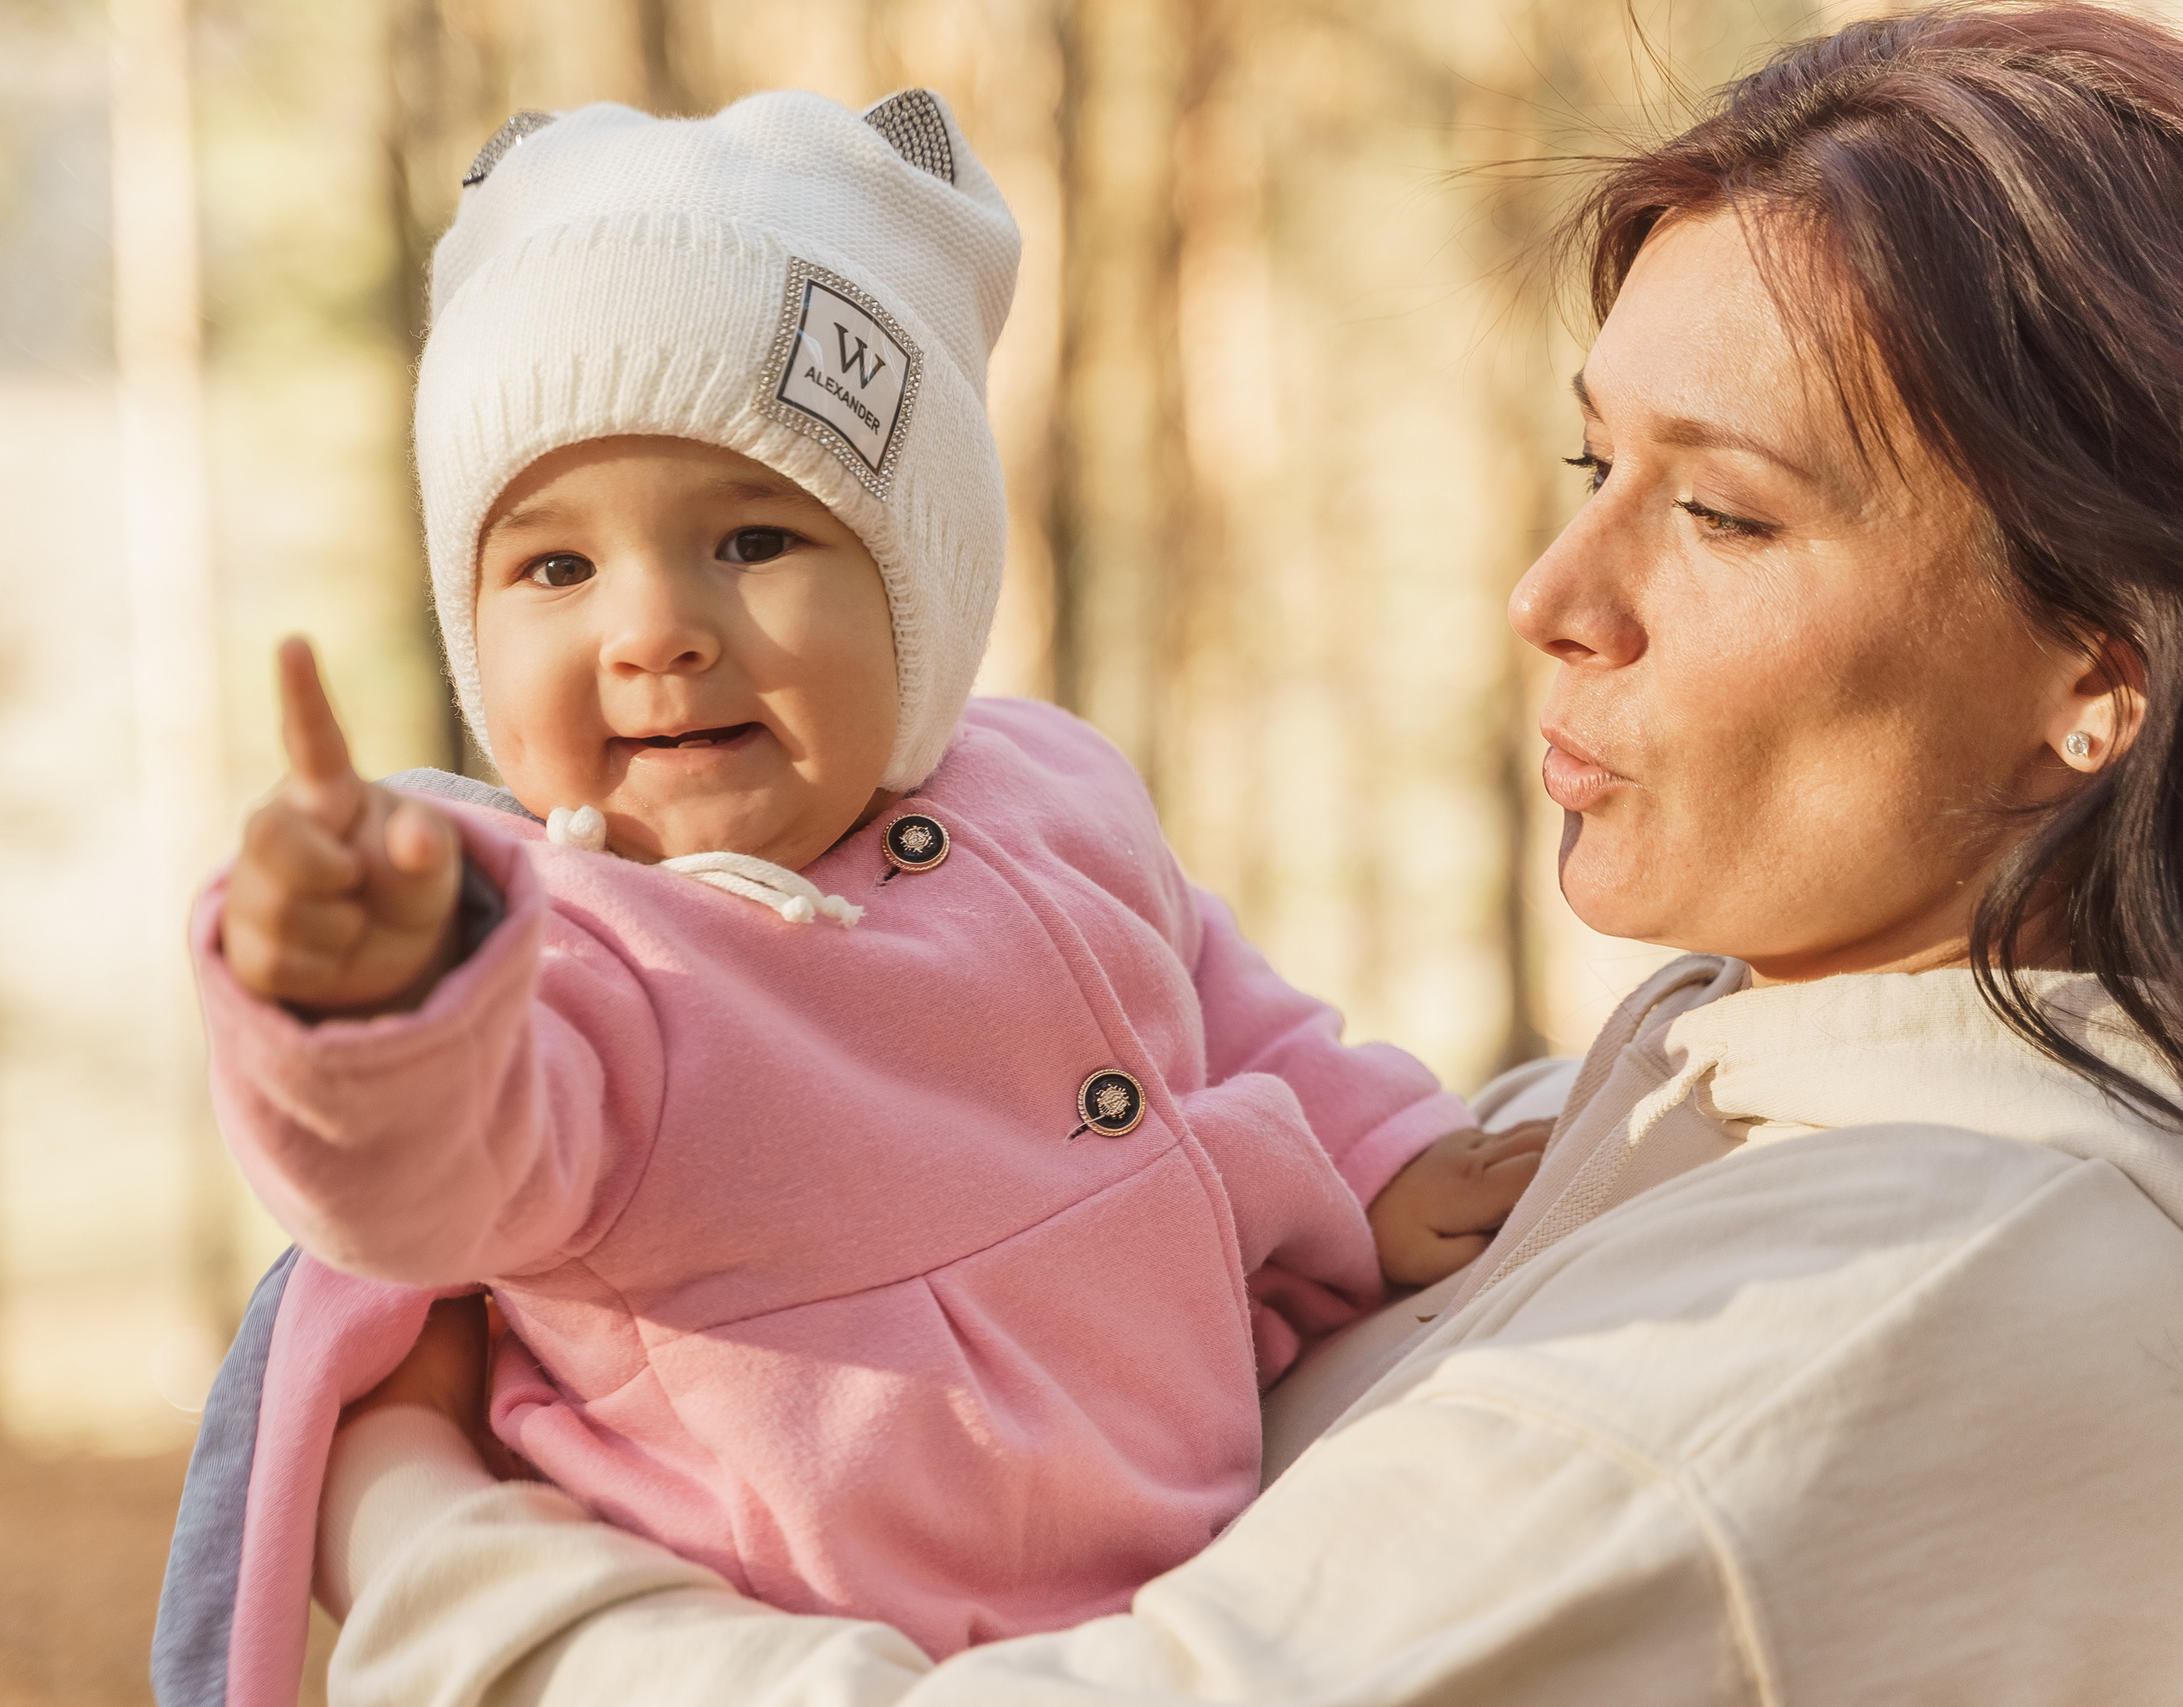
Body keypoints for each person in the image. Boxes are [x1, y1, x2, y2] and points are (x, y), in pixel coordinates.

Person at [299, 6, 2183, 1702]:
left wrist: (412, 1528)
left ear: (2093, 676)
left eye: (1722, 513)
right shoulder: (1713, 1082)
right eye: (1585, 468)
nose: (1551, 598)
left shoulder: (1886, 1298)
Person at [149, 89, 1553, 1707]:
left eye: (753, 538)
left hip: (1212, 1582)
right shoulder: (589, 961)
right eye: (556, 568)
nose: (654, 629)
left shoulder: (1048, 786)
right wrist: (373, 1003)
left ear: (923, 583)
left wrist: (1376, 1155)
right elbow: (430, 1174)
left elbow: (1226, 1002)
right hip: (809, 1649)